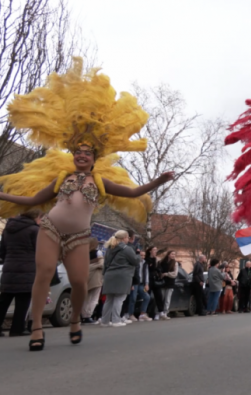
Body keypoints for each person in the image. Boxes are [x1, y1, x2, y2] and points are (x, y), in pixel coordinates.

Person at [0, 59, 174, 351]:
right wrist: (3, 196)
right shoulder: (60, 178)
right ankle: (37, 329)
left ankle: (76, 322)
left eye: (87, 153)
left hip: (79, 238)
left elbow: (133, 192)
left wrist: (158, 180)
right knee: (42, 273)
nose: (81, 155)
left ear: (94, 158)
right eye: (77, 152)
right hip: (51, 230)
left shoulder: (102, 183)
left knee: (80, 283)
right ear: (73, 155)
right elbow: (31, 201)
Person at [0, 210, 41, 337]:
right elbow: (39, 250)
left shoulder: (8, 229)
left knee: (4, 300)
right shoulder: (34, 230)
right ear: (35, 217)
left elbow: (2, 251)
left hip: (9, 268)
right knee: (23, 301)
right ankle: (17, 328)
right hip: (27, 269)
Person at [100, 231, 139, 328]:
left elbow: (105, 263)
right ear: (124, 238)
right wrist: (139, 256)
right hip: (122, 276)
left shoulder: (110, 248)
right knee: (119, 298)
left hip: (109, 275)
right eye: (127, 237)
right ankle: (116, 320)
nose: (128, 239)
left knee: (109, 299)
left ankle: (104, 321)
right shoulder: (127, 249)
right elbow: (135, 261)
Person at [82, 238, 104, 324]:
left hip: (85, 277)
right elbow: (101, 265)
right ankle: (88, 316)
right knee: (94, 299)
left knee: (86, 298)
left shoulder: (83, 253)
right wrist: (96, 265)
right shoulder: (98, 253)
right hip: (96, 278)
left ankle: (82, 315)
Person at [126, 250, 151, 322]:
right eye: (141, 255)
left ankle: (142, 314)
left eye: (144, 255)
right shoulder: (135, 263)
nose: (142, 257)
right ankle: (130, 314)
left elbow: (146, 274)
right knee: (133, 298)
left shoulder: (145, 263)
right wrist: (131, 283)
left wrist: (146, 284)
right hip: (135, 283)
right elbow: (131, 273)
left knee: (146, 297)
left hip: (141, 284)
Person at [144, 246, 165, 320]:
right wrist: (153, 260)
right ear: (150, 251)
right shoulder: (147, 259)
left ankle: (161, 311)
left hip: (155, 280)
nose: (155, 251)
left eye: (156, 250)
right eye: (154, 250)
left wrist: (159, 272)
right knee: (148, 296)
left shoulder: (157, 260)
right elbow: (150, 268)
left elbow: (160, 268)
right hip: (148, 280)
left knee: (159, 296)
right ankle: (147, 312)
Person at [159, 251, 178, 320]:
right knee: (161, 298)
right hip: (162, 282)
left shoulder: (175, 263)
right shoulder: (162, 262)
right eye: (172, 254)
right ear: (168, 254)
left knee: (167, 299)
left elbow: (175, 274)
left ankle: (165, 312)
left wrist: (166, 274)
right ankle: (160, 312)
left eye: (174, 254)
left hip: (170, 283)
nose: (173, 255)